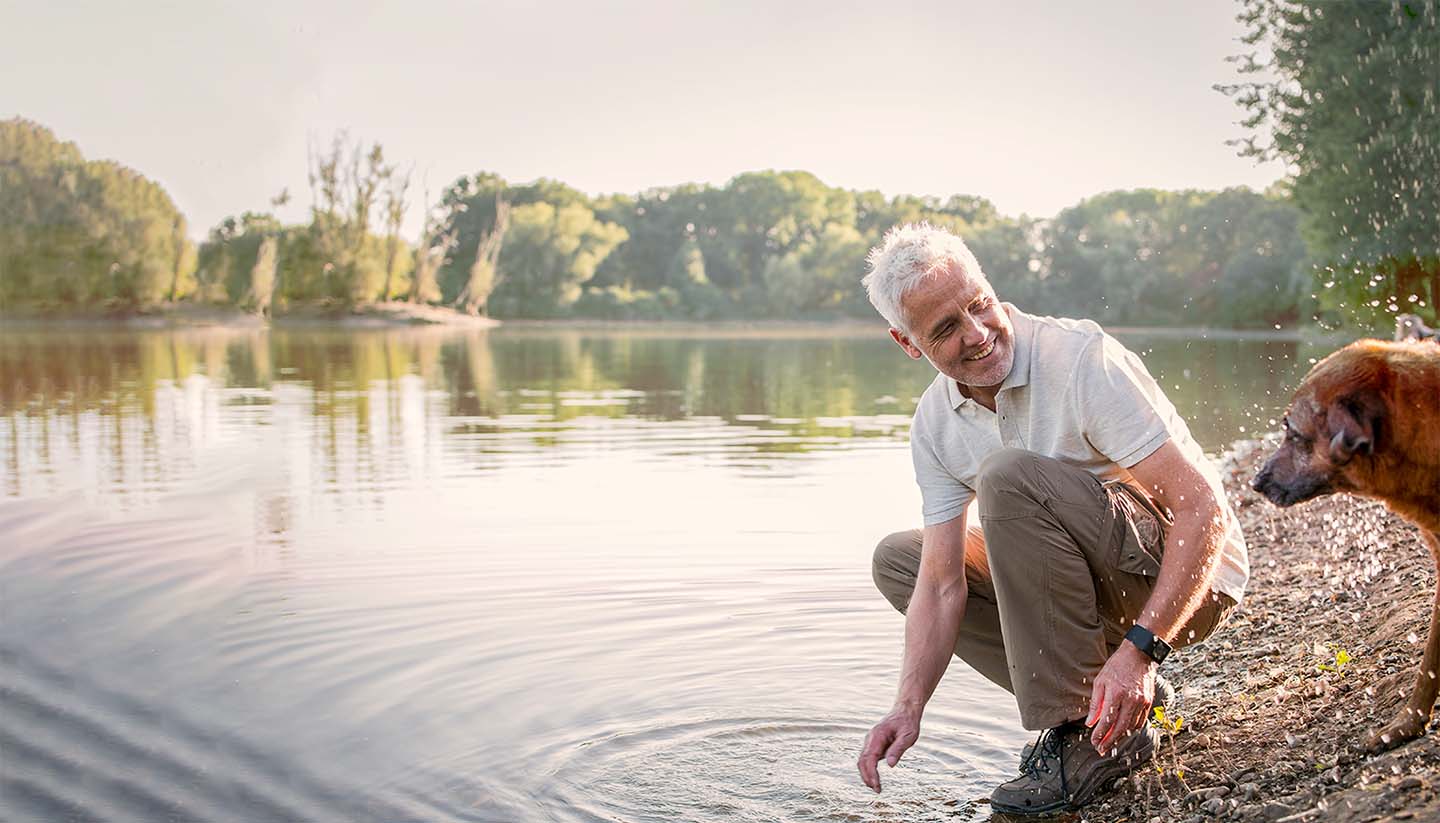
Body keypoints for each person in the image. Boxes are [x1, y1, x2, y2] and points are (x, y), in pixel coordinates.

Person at [854, 223, 1249, 815]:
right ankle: (1098, 710)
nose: (979, 334)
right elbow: (940, 586)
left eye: (979, 304)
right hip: (1091, 581)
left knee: (1008, 477)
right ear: (907, 344)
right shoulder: (935, 424)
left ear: (988, 284)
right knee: (902, 562)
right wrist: (907, 706)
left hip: (1189, 579)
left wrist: (1142, 649)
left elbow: (1203, 510)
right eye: (946, 329)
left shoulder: (1081, 358)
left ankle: (1088, 741)